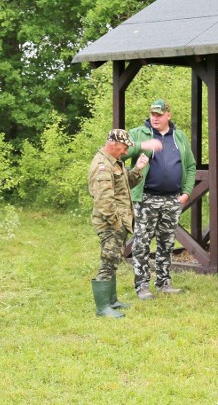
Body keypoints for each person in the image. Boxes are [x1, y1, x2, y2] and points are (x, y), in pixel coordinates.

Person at [124, 99, 196, 300]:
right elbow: (119, 152)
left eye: (159, 114)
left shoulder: (179, 137)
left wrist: (187, 192)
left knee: (166, 242)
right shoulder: (139, 133)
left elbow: (190, 166)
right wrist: (142, 145)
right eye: (152, 114)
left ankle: (164, 282)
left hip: (172, 199)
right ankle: (142, 286)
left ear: (168, 115)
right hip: (146, 197)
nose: (155, 118)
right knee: (142, 243)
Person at [87, 129, 148, 318]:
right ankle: (103, 308)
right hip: (110, 223)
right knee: (108, 261)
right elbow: (104, 200)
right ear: (114, 144)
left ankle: (112, 301)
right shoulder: (102, 165)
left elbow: (124, 185)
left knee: (113, 260)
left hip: (118, 222)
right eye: (124, 147)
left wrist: (137, 168)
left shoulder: (114, 162)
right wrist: (117, 223)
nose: (126, 151)